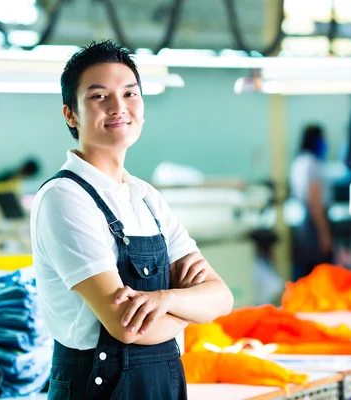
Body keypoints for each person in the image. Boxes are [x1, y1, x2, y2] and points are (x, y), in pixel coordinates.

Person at [30, 40, 234, 400]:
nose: (118, 107)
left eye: (129, 93)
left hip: (162, 382)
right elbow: (125, 327)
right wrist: (189, 304)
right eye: (99, 96)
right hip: (95, 385)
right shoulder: (64, 197)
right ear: (71, 114)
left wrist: (164, 300)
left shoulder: (146, 198)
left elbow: (221, 298)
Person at [289, 124, 333, 280]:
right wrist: (324, 233)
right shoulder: (312, 164)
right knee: (318, 270)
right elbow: (314, 200)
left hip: (304, 221)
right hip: (314, 220)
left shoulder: (299, 162)